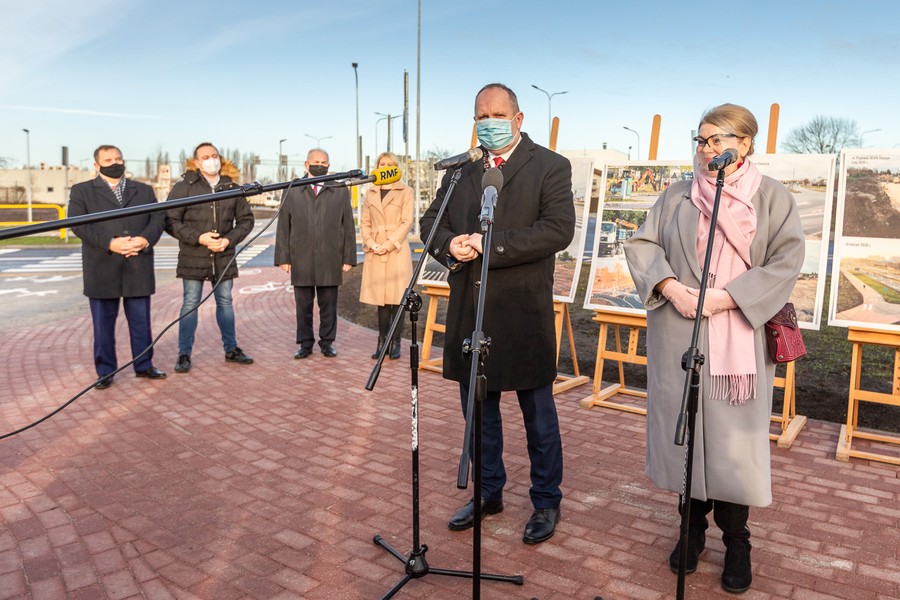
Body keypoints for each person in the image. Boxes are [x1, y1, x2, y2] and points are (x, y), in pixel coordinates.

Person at [623, 103, 805, 594]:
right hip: (680, 335)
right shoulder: (677, 194)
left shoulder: (773, 197)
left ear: (744, 144)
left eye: (717, 139)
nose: (706, 149)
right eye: (700, 140)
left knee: (731, 449)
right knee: (685, 438)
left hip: (738, 344)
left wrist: (731, 298)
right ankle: (690, 530)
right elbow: (642, 245)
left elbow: (787, 261)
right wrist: (670, 286)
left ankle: (738, 542)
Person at [419, 83, 575, 544]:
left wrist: (491, 244)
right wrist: (451, 244)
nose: (488, 122)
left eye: (497, 114)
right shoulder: (462, 171)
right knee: (479, 412)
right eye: (480, 114)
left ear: (518, 119)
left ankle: (546, 500)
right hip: (472, 308)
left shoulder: (549, 166)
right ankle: (489, 492)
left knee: (538, 415)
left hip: (523, 311)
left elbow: (556, 229)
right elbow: (432, 223)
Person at [68, 145, 167, 388]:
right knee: (103, 325)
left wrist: (145, 239)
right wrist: (110, 244)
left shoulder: (143, 190)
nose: (115, 163)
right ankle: (105, 371)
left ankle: (144, 366)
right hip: (101, 266)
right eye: (108, 159)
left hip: (138, 262)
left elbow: (158, 218)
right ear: (96, 165)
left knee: (141, 322)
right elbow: (78, 224)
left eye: (119, 158)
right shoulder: (82, 191)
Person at [165, 142, 255, 373]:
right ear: (196, 162)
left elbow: (246, 220)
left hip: (223, 256)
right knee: (190, 303)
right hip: (193, 255)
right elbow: (170, 220)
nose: (211, 160)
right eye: (205, 157)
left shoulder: (232, 187)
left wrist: (228, 240)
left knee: (225, 302)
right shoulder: (184, 188)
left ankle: (231, 348)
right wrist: (199, 238)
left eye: (214, 155)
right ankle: (184, 354)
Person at [275, 148, 356, 358]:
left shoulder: (338, 189)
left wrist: (348, 257)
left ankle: (327, 342)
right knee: (303, 305)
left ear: (329, 165)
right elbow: (284, 225)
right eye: (316, 161)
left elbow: (348, 225)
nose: (320, 165)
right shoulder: (293, 189)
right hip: (300, 256)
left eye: (324, 162)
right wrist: (283, 258)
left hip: (330, 256)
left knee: (329, 304)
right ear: (306, 164)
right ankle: (305, 343)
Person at [358, 151, 414, 360]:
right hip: (375, 249)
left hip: (396, 250)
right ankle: (382, 342)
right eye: (381, 164)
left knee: (397, 300)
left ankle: (396, 341)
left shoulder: (405, 191)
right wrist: (371, 243)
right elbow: (364, 222)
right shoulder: (370, 192)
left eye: (389, 164)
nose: (385, 167)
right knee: (381, 301)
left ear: (395, 167)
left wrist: (389, 244)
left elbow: (407, 221)